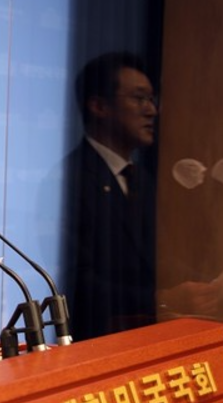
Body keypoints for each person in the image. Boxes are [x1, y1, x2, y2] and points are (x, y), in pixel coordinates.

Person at [58, 51, 159, 341]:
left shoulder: (143, 179)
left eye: (151, 99)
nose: (151, 111)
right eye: (139, 98)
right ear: (99, 106)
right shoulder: (71, 178)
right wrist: (161, 298)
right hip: (96, 341)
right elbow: (77, 282)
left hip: (148, 336)